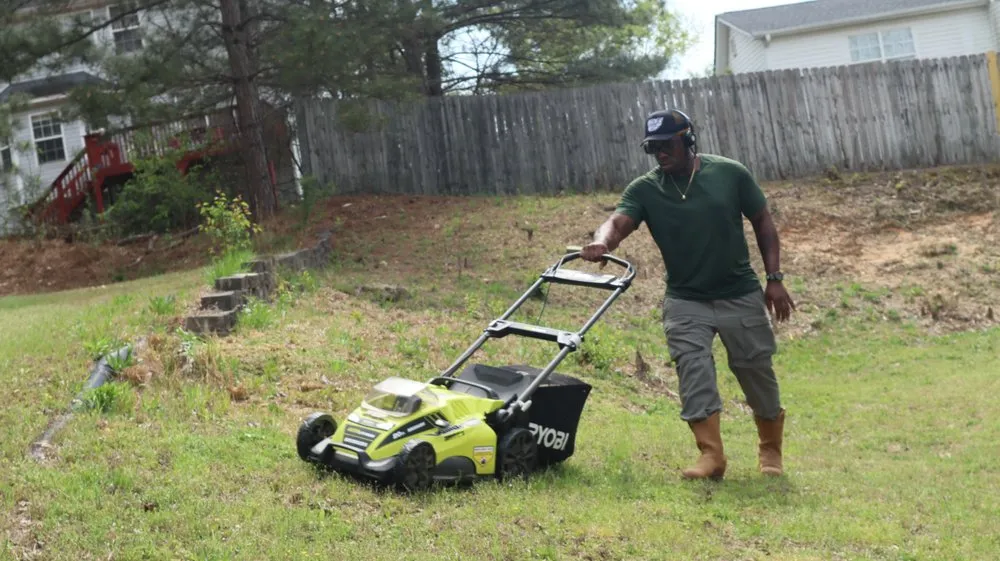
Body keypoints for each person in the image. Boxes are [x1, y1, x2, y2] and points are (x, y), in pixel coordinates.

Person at [581, 108, 795, 480]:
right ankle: (711, 456)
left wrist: (774, 278)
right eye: (653, 148)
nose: (661, 154)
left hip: (738, 292)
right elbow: (617, 221)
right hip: (685, 299)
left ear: (689, 140)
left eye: (667, 145)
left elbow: (762, 220)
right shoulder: (646, 189)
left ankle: (770, 449)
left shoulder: (729, 173)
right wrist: (602, 242)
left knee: (755, 370)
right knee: (693, 370)